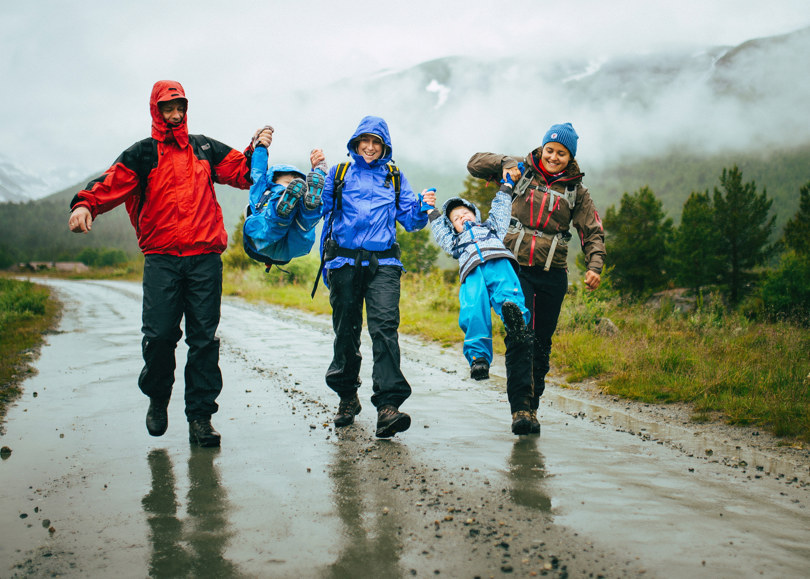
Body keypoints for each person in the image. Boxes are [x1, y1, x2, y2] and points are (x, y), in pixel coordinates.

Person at [68, 80, 272, 447]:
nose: (175, 114)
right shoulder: (142, 154)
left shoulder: (204, 148)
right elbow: (109, 185)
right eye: (168, 108)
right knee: (160, 337)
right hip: (162, 260)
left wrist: (257, 148)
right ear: (156, 110)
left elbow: (242, 174)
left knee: (204, 341)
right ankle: (158, 397)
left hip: (204, 260)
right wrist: (85, 204)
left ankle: (200, 418)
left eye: (180, 107)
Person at [467, 122, 606, 433]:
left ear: (570, 157)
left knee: (541, 344)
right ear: (542, 149)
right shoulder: (521, 171)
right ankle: (520, 410)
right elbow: (474, 163)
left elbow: (592, 231)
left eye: (561, 153)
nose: (554, 157)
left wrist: (594, 266)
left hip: (552, 275)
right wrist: (505, 163)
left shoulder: (577, 193)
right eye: (550, 150)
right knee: (519, 337)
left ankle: (532, 406)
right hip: (514, 270)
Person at [318, 115, 435, 438]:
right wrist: (317, 175)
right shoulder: (338, 174)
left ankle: (388, 406)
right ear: (355, 144)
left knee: (384, 329)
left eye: (376, 142)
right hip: (343, 261)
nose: (369, 147)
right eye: (364, 141)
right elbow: (322, 211)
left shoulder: (394, 177)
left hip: (383, 264)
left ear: (384, 147)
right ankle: (346, 397)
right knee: (346, 331)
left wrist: (423, 208)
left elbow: (411, 221)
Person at [427, 178, 536, 434]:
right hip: (471, 270)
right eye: (455, 218)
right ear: (452, 227)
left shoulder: (491, 229)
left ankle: (516, 321)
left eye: (465, 213)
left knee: (508, 293)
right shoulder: (455, 242)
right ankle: (478, 359)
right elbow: (440, 231)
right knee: (473, 312)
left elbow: (500, 209)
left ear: (475, 214)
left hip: (497, 259)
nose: (461, 218)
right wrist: (431, 211)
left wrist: (506, 188)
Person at [243, 131, 329, 267]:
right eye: (288, 182)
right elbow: (258, 173)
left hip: (280, 242)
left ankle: (302, 207)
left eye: (296, 183)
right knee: (303, 221)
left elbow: (315, 189)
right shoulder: (263, 189)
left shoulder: (299, 196)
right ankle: (292, 208)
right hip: (271, 240)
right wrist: (260, 147)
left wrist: (319, 170)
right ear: (272, 181)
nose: (293, 185)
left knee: (306, 211)